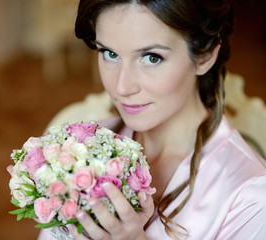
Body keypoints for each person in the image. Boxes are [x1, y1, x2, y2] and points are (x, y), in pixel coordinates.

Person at [38, 0, 266, 239]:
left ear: (205, 56)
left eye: (151, 58)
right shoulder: (77, 150)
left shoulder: (249, 197)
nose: (121, 87)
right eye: (110, 53)